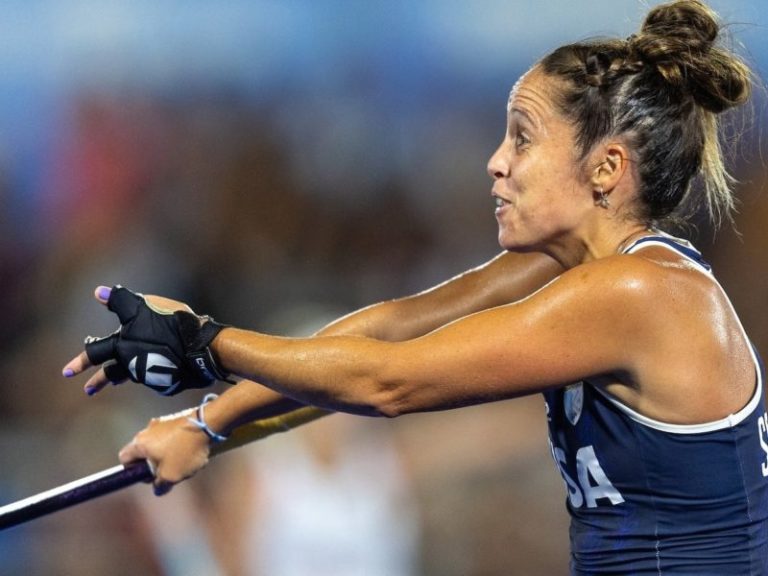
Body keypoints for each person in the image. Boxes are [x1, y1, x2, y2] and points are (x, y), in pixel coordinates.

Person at [63, 1, 765, 573]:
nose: (496, 163)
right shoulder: (570, 265)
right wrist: (207, 421)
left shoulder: (643, 295)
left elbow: (387, 384)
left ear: (606, 169)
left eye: (522, 138)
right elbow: (389, 329)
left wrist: (205, 343)